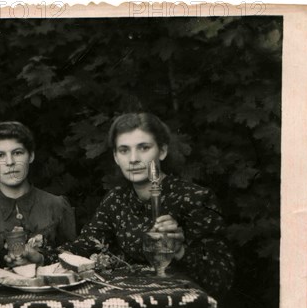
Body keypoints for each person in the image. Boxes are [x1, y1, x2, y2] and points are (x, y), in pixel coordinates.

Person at [64, 113, 234, 296]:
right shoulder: (116, 199)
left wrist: (180, 251)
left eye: (144, 148)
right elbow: (81, 249)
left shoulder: (195, 198)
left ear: (162, 151)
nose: (133, 158)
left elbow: (222, 278)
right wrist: (40, 256)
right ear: (115, 157)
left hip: (184, 307)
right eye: (124, 150)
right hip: (129, 303)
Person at [0, 121, 76, 272]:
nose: (10, 162)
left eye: (17, 153)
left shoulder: (57, 204)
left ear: (31, 156)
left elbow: (74, 258)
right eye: (0, 155)